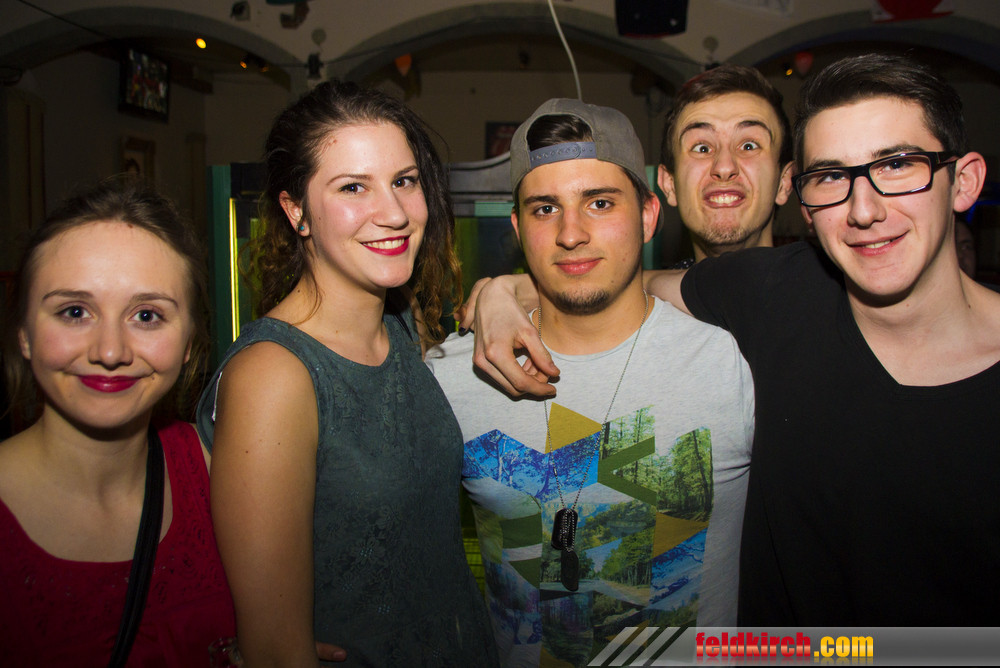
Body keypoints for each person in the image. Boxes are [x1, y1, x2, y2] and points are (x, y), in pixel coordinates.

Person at [466, 53, 1000, 625]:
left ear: (964, 180)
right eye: (831, 177)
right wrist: (506, 290)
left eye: (896, 165)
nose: (864, 208)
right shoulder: (769, 293)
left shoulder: (770, 293)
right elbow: (607, 274)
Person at [427, 98, 753, 666]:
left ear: (648, 216)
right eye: (545, 208)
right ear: (518, 228)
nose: (571, 233)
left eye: (599, 203)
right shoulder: (454, 375)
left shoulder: (728, 363)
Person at [196, 80, 497, 666]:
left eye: (404, 181)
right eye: (353, 187)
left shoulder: (403, 323)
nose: (394, 213)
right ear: (296, 212)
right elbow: (275, 651)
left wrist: (503, 292)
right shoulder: (274, 376)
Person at [0, 178, 236, 666]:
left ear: (190, 342)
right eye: (74, 312)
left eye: (146, 316)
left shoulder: (223, 473)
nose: (110, 352)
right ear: (23, 333)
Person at [657, 63, 794, 267]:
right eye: (702, 148)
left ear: (784, 182)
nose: (724, 167)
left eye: (748, 146)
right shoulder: (643, 289)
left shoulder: (829, 287)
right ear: (669, 184)